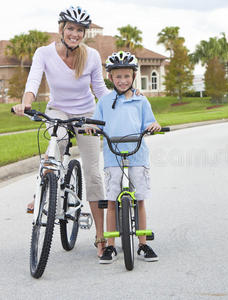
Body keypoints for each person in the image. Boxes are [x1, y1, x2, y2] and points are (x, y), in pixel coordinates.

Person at [12, 6, 140, 258]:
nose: (74, 34)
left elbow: (100, 91)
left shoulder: (91, 56)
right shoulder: (44, 53)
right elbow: (33, 83)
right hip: (57, 110)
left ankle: (101, 238)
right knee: (53, 149)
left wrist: (119, 106)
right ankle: (41, 194)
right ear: (61, 29)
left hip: (86, 114)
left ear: (84, 33)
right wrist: (25, 104)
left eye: (79, 30)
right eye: (70, 28)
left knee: (93, 173)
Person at [86, 51, 160, 264]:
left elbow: (150, 122)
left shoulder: (141, 100)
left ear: (133, 76)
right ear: (110, 77)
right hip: (113, 156)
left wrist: (153, 126)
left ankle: (143, 243)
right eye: (118, 76)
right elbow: (96, 122)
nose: (122, 80)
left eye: (127, 76)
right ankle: (110, 246)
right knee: (111, 200)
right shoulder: (104, 101)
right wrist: (91, 127)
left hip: (137, 155)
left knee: (139, 199)